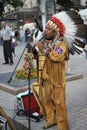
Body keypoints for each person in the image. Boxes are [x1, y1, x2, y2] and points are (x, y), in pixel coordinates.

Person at [33, 13, 70, 130]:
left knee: (59, 104)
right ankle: (51, 120)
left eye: (48, 29)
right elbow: (39, 56)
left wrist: (42, 48)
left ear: (55, 31)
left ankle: (63, 126)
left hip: (57, 79)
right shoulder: (46, 41)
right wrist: (34, 51)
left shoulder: (61, 43)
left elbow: (55, 57)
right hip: (46, 77)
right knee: (46, 100)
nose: (45, 31)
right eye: (46, 28)